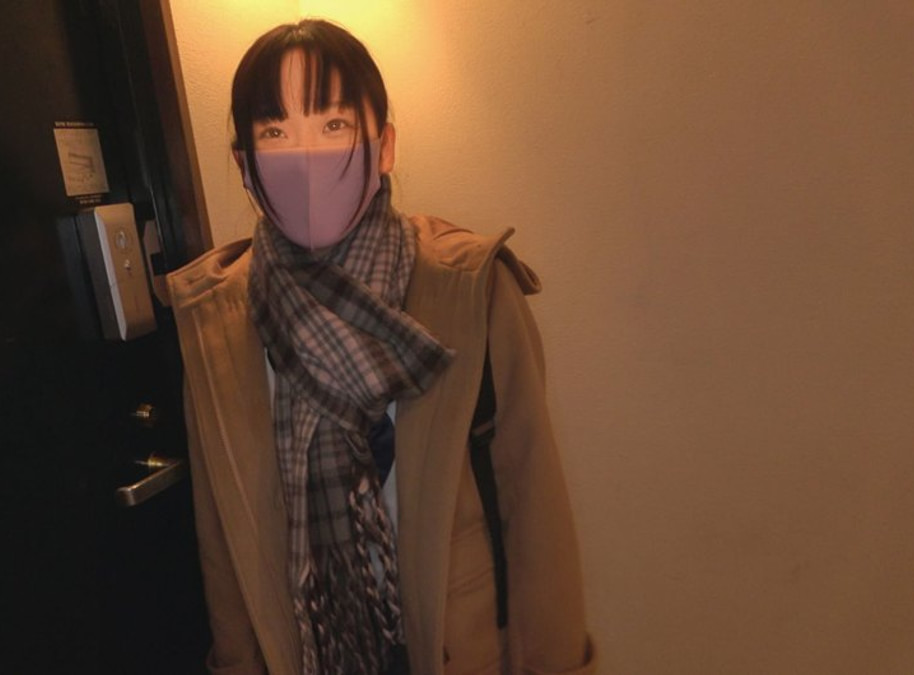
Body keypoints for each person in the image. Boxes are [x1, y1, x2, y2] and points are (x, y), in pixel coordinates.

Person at [167, 19, 595, 675]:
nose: (304, 154)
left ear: (385, 145)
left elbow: (533, 505)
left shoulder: (469, 288)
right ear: (244, 166)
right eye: (274, 132)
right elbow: (222, 543)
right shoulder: (215, 321)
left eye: (333, 124)